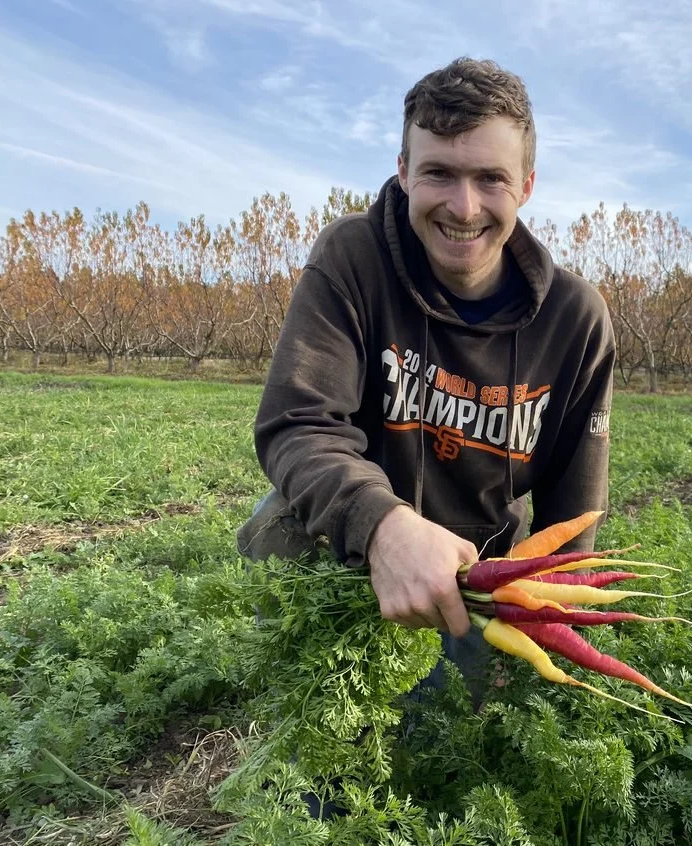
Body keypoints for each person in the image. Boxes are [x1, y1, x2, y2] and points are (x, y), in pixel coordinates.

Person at [236, 56, 616, 720]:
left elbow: (570, 522)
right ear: (405, 171)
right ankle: (309, 733)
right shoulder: (352, 259)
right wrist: (384, 528)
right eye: (439, 172)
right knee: (317, 745)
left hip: (475, 582)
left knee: (443, 744)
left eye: (489, 178)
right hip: (345, 551)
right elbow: (300, 426)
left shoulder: (574, 319)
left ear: (525, 185)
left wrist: (548, 649)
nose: (463, 207)